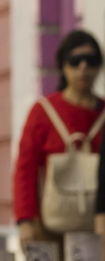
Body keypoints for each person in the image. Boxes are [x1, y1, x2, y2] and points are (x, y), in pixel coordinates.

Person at [14, 28, 104, 241]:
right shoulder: (43, 111)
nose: (83, 67)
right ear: (63, 66)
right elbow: (25, 168)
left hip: (98, 225)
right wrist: (25, 220)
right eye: (75, 61)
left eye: (91, 61)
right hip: (49, 225)